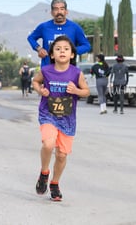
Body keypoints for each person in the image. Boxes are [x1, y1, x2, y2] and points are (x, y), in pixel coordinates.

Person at [32, 35, 90, 201]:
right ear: (52, 55)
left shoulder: (76, 73)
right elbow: (35, 82)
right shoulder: (46, 70)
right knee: (48, 143)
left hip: (67, 119)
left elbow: (86, 91)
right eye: (58, 49)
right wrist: (40, 90)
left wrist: (77, 91)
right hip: (48, 114)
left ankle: (55, 183)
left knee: (62, 155)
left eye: (66, 49)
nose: (62, 51)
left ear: (72, 54)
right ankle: (44, 173)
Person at [27, 0, 91, 68]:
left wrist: (72, 51)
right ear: (51, 12)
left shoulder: (75, 27)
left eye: (62, 9)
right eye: (56, 9)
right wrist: (39, 49)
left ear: (66, 12)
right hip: (48, 70)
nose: (59, 12)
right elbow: (31, 38)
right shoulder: (44, 27)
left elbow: (86, 46)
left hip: (68, 71)